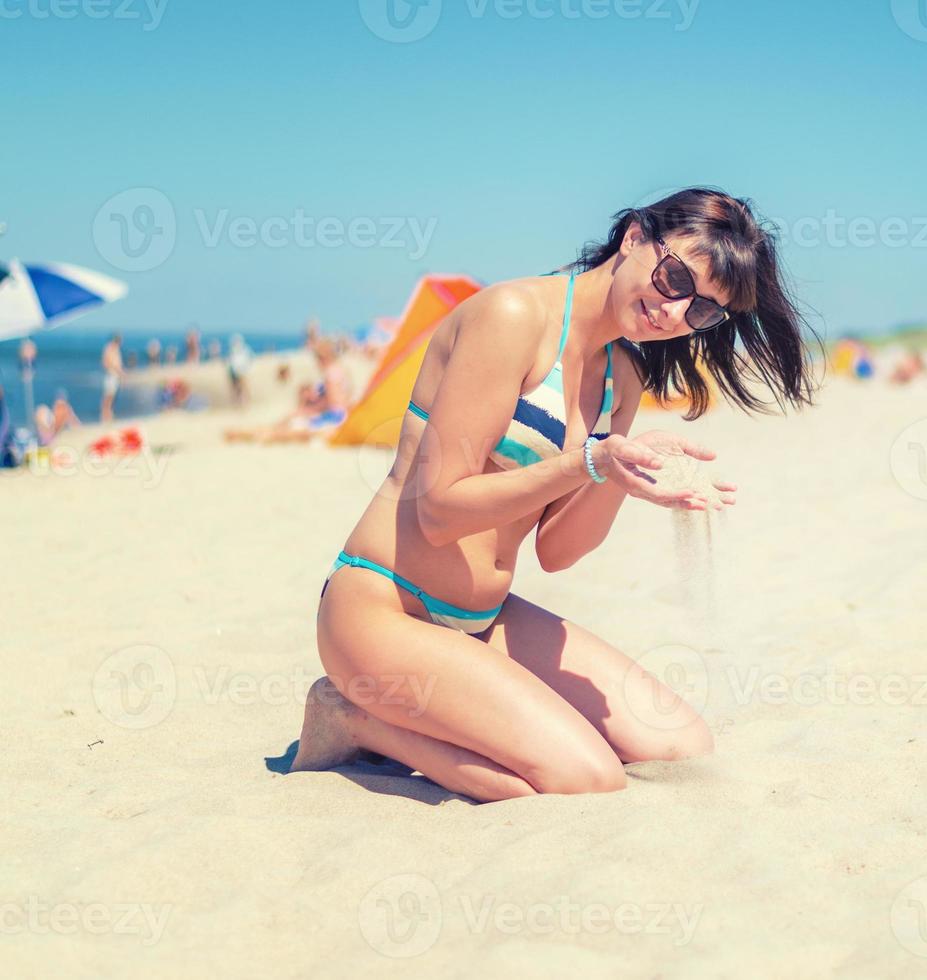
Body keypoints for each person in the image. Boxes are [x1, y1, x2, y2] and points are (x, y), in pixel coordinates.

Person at [288, 188, 817, 802]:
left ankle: (414, 709)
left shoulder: (624, 375)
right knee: (583, 776)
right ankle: (353, 717)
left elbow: (559, 550)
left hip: (484, 621)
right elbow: (439, 511)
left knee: (680, 742)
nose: (675, 313)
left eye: (702, 311)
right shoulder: (514, 317)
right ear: (635, 238)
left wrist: (625, 477)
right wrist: (588, 462)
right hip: (381, 607)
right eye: (676, 279)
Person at [100, 334, 125, 423]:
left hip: (115, 375)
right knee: (108, 397)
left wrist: (120, 372)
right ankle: (105, 417)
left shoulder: (116, 349)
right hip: (111, 375)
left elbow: (116, 363)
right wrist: (117, 369)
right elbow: (106, 362)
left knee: (112, 397)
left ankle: (109, 416)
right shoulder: (109, 348)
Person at [226, 334, 254, 408]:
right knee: (237, 389)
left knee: (242, 388)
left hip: (241, 372)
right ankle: (238, 404)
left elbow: (248, 360)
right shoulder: (234, 350)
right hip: (236, 372)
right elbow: (231, 362)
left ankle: (245, 403)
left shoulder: (244, 350)